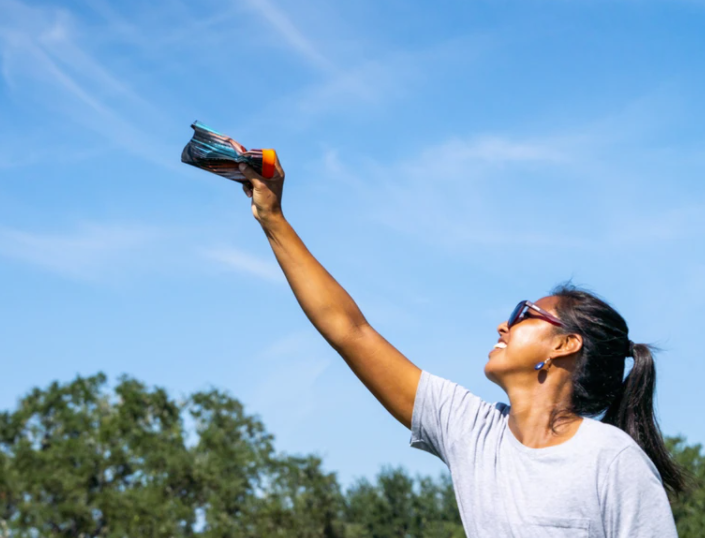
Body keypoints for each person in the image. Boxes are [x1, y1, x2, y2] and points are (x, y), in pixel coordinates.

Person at [236, 156, 684, 538]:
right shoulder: (472, 431)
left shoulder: (613, 459)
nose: (503, 325)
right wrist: (273, 219)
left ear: (565, 344)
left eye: (523, 314)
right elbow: (349, 330)